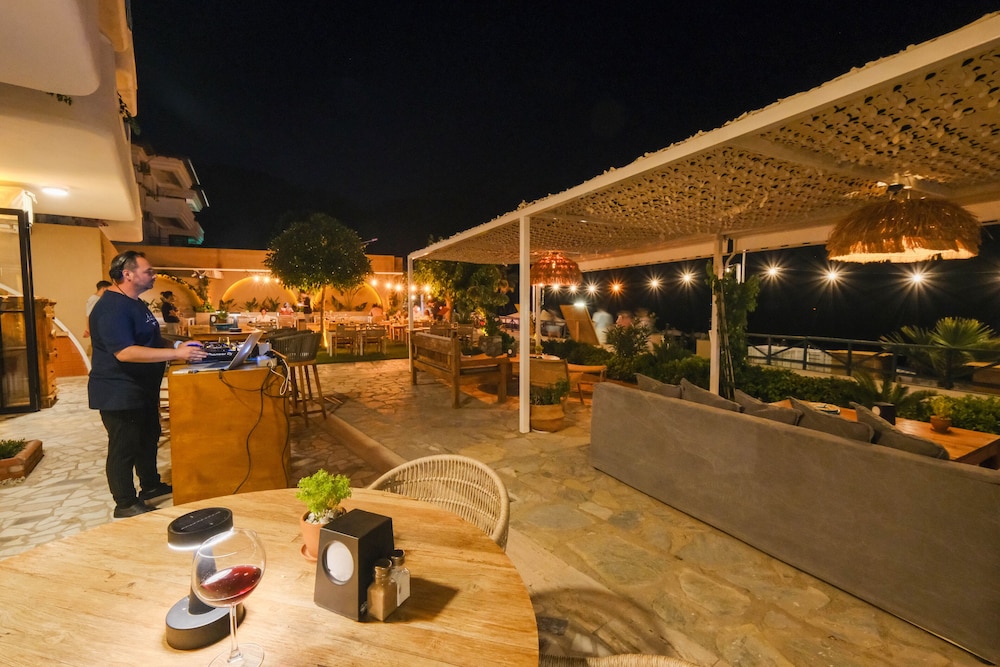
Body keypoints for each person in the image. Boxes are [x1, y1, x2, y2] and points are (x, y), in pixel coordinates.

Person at [88, 250, 207, 518]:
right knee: (124, 447)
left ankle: (151, 485)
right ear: (127, 274)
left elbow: (150, 340)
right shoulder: (112, 307)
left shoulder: (135, 302)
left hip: (142, 389)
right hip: (119, 391)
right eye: (148, 271)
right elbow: (125, 352)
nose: (154, 275)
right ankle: (125, 503)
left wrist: (178, 345)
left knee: (147, 438)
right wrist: (175, 355)